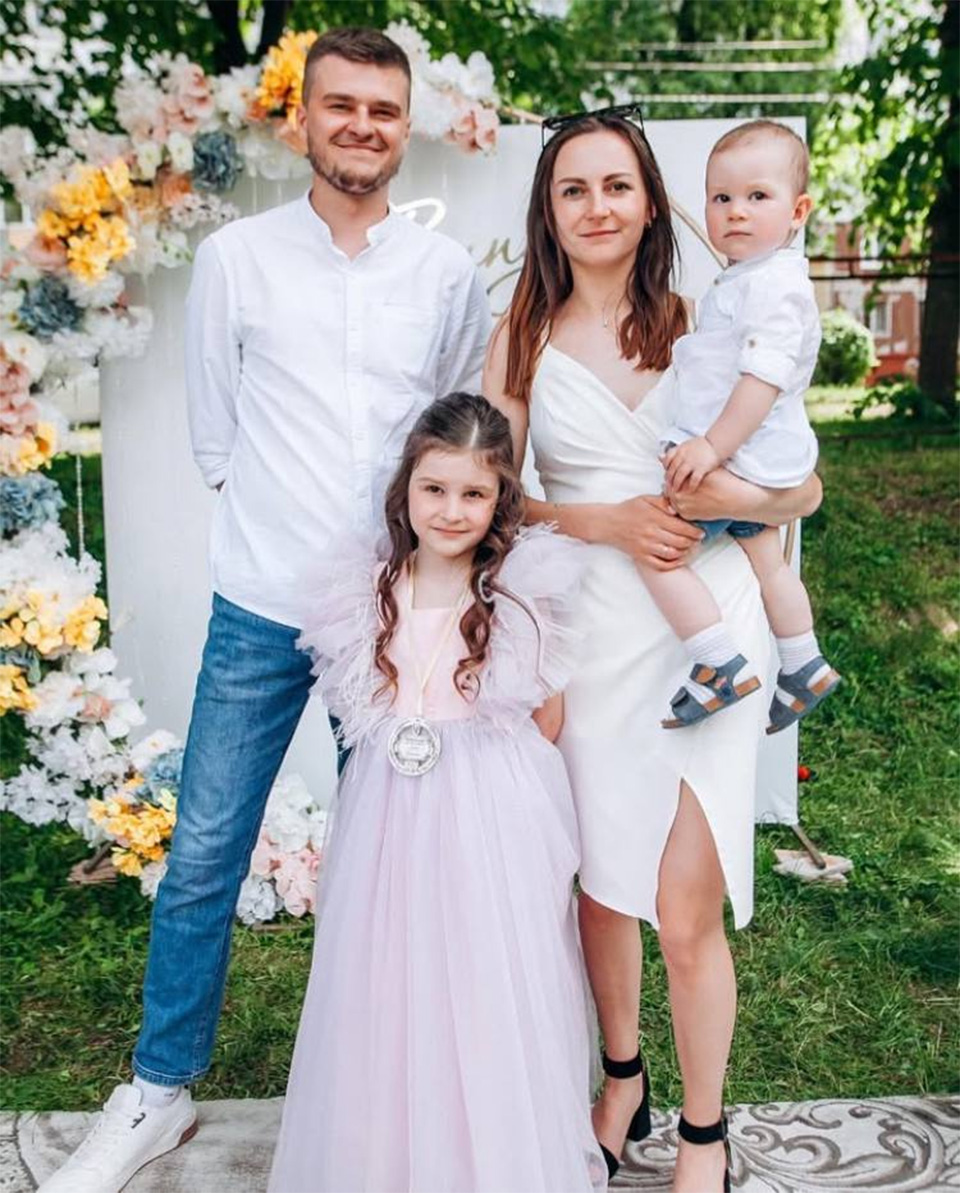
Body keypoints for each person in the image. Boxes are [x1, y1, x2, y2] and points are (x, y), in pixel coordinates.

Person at [40, 28, 490, 1193]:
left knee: (400, 857)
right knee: (204, 850)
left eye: (383, 110)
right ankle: (158, 1090)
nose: (362, 127)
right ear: (305, 120)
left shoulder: (444, 275)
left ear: (405, 126)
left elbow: (455, 435)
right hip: (260, 603)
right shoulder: (238, 258)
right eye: (342, 106)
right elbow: (215, 432)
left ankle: (396, 1091)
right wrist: (277, 525)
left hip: (393, 618)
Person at [484, 109, 822, 1193]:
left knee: (684, 905)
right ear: (548, 209)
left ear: (648, 202)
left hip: (708, 625)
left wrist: (728, 499)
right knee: (598, 880)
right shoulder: (521, 336)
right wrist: (608, 521)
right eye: (574, 188)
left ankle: (704, 1133)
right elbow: (493, 503)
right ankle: (621, 1079)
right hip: (588, 627)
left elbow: (801, 486)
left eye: (617, 185)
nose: (598, 207)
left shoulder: (705, 319)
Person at [268, 392, 605, 1193]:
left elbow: (546, 715)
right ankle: (390, 1150)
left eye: (473, 493)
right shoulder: (368, 589)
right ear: (406, 489)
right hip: (390, 806)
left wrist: (494, 791)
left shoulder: (516, 593)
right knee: (389, 966)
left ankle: (486, 1149)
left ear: (499, 500)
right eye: (435, 489)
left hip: (487, 805)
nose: (452, 510)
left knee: (485, 964)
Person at [651, 119, 840, 733]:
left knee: (659, 551)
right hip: (753, 454)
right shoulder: (747, 279)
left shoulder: (775, 287)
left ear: (798, 211)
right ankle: (803, 662)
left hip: (742, 454)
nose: (736, 211)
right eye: (721, 197)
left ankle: (718, 664)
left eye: (758, 196)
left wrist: (711, 447)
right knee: (767, 560)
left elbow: (762, 379)